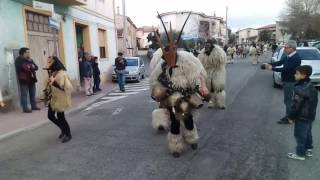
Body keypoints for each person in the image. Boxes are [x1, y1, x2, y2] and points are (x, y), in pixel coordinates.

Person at [150, 13, 209, 158]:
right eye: (166, 53)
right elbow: (154, 82)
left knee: (188, 119)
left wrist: (201, 86)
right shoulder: (161, 65)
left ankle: (191, 138)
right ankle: (175, 146)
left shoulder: (187, 61)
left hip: (186, 95)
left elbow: (196, 75)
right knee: (175, 123)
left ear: (175, 49)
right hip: (170, 98)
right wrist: (157, 93)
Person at [262, 40, 301, 124]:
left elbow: (285, 69)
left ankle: (289, 118)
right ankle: (290, 116)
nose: (284, 49)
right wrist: (268, 64)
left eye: (286, 47)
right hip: (287, 80)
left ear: (291, 48)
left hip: (290, 81)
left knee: (288, 100)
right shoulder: (288, 56)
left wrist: (271, 68)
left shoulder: (295, 58)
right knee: (288, 99)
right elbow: (280, 62)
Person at [286, 65, 318, 160]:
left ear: (303, 76)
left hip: (301, 116)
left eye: (297, 74)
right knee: (308, 133)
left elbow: (296, 105)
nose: (295, 75)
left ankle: (300, 154)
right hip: (310, 115)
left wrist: (291, 117)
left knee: (300, 135)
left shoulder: (300, 89)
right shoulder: (311, 86)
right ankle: (308, 149)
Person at [45, 56, 73, 143]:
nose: (48, 64)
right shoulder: (53, 73)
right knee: (50, 115)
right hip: (53, 98)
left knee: (61, 117)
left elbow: (68, 88)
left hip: (61, 99)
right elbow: (49, 84)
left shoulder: (62, 74)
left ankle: (68, 134)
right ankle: (63, 129)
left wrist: (53, 82)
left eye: (50, 62)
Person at [198, 39, 227, 109]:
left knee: (218, 87)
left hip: (217, 71)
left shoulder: (218, 52)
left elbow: (222, 60)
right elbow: (200, 63)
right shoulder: (202, 53)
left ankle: (221, 103)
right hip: (208, 72)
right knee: (210, 89)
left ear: (212, 46)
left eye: (208, 45)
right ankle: (211, 103)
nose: (207, 47)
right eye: (206, 45)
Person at [15, 47, 40, 113]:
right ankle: (25, 108)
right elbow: (19, 69)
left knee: (32, 94)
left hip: (31, 79)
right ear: (23, 53)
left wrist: (31, 66)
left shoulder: (30, 59)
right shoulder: (18, 60)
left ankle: (33, 106)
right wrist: (29, 66)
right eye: (27, 52)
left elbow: (36, 67)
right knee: (24, 95)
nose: (29, 53)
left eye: (29, 52)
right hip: (24, 80)